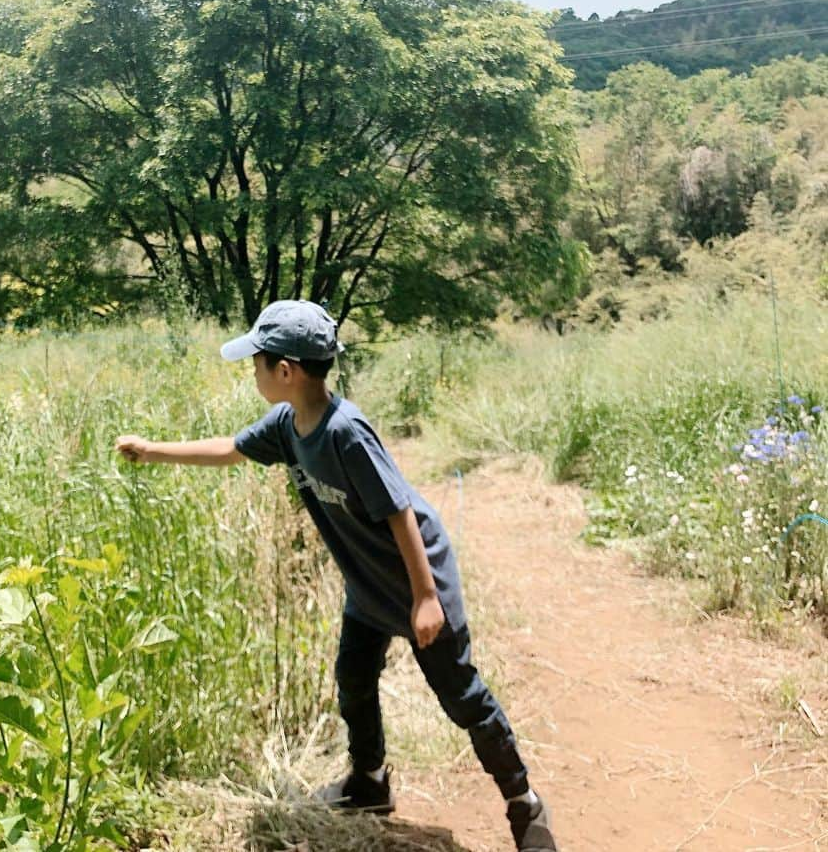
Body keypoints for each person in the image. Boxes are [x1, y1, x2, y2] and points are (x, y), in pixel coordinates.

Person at [115, 300, 557, 851]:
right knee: (353, 680)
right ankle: (369, 783)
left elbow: (400, 513)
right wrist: (152, 450)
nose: (252, 372)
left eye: (257, 361)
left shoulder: (345, 432)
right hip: (367, 586)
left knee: (461, 695)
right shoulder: (285, 425)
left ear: (286, 371)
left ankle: (525, 805)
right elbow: (231, 450)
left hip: (419, 577)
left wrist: (424, 597)